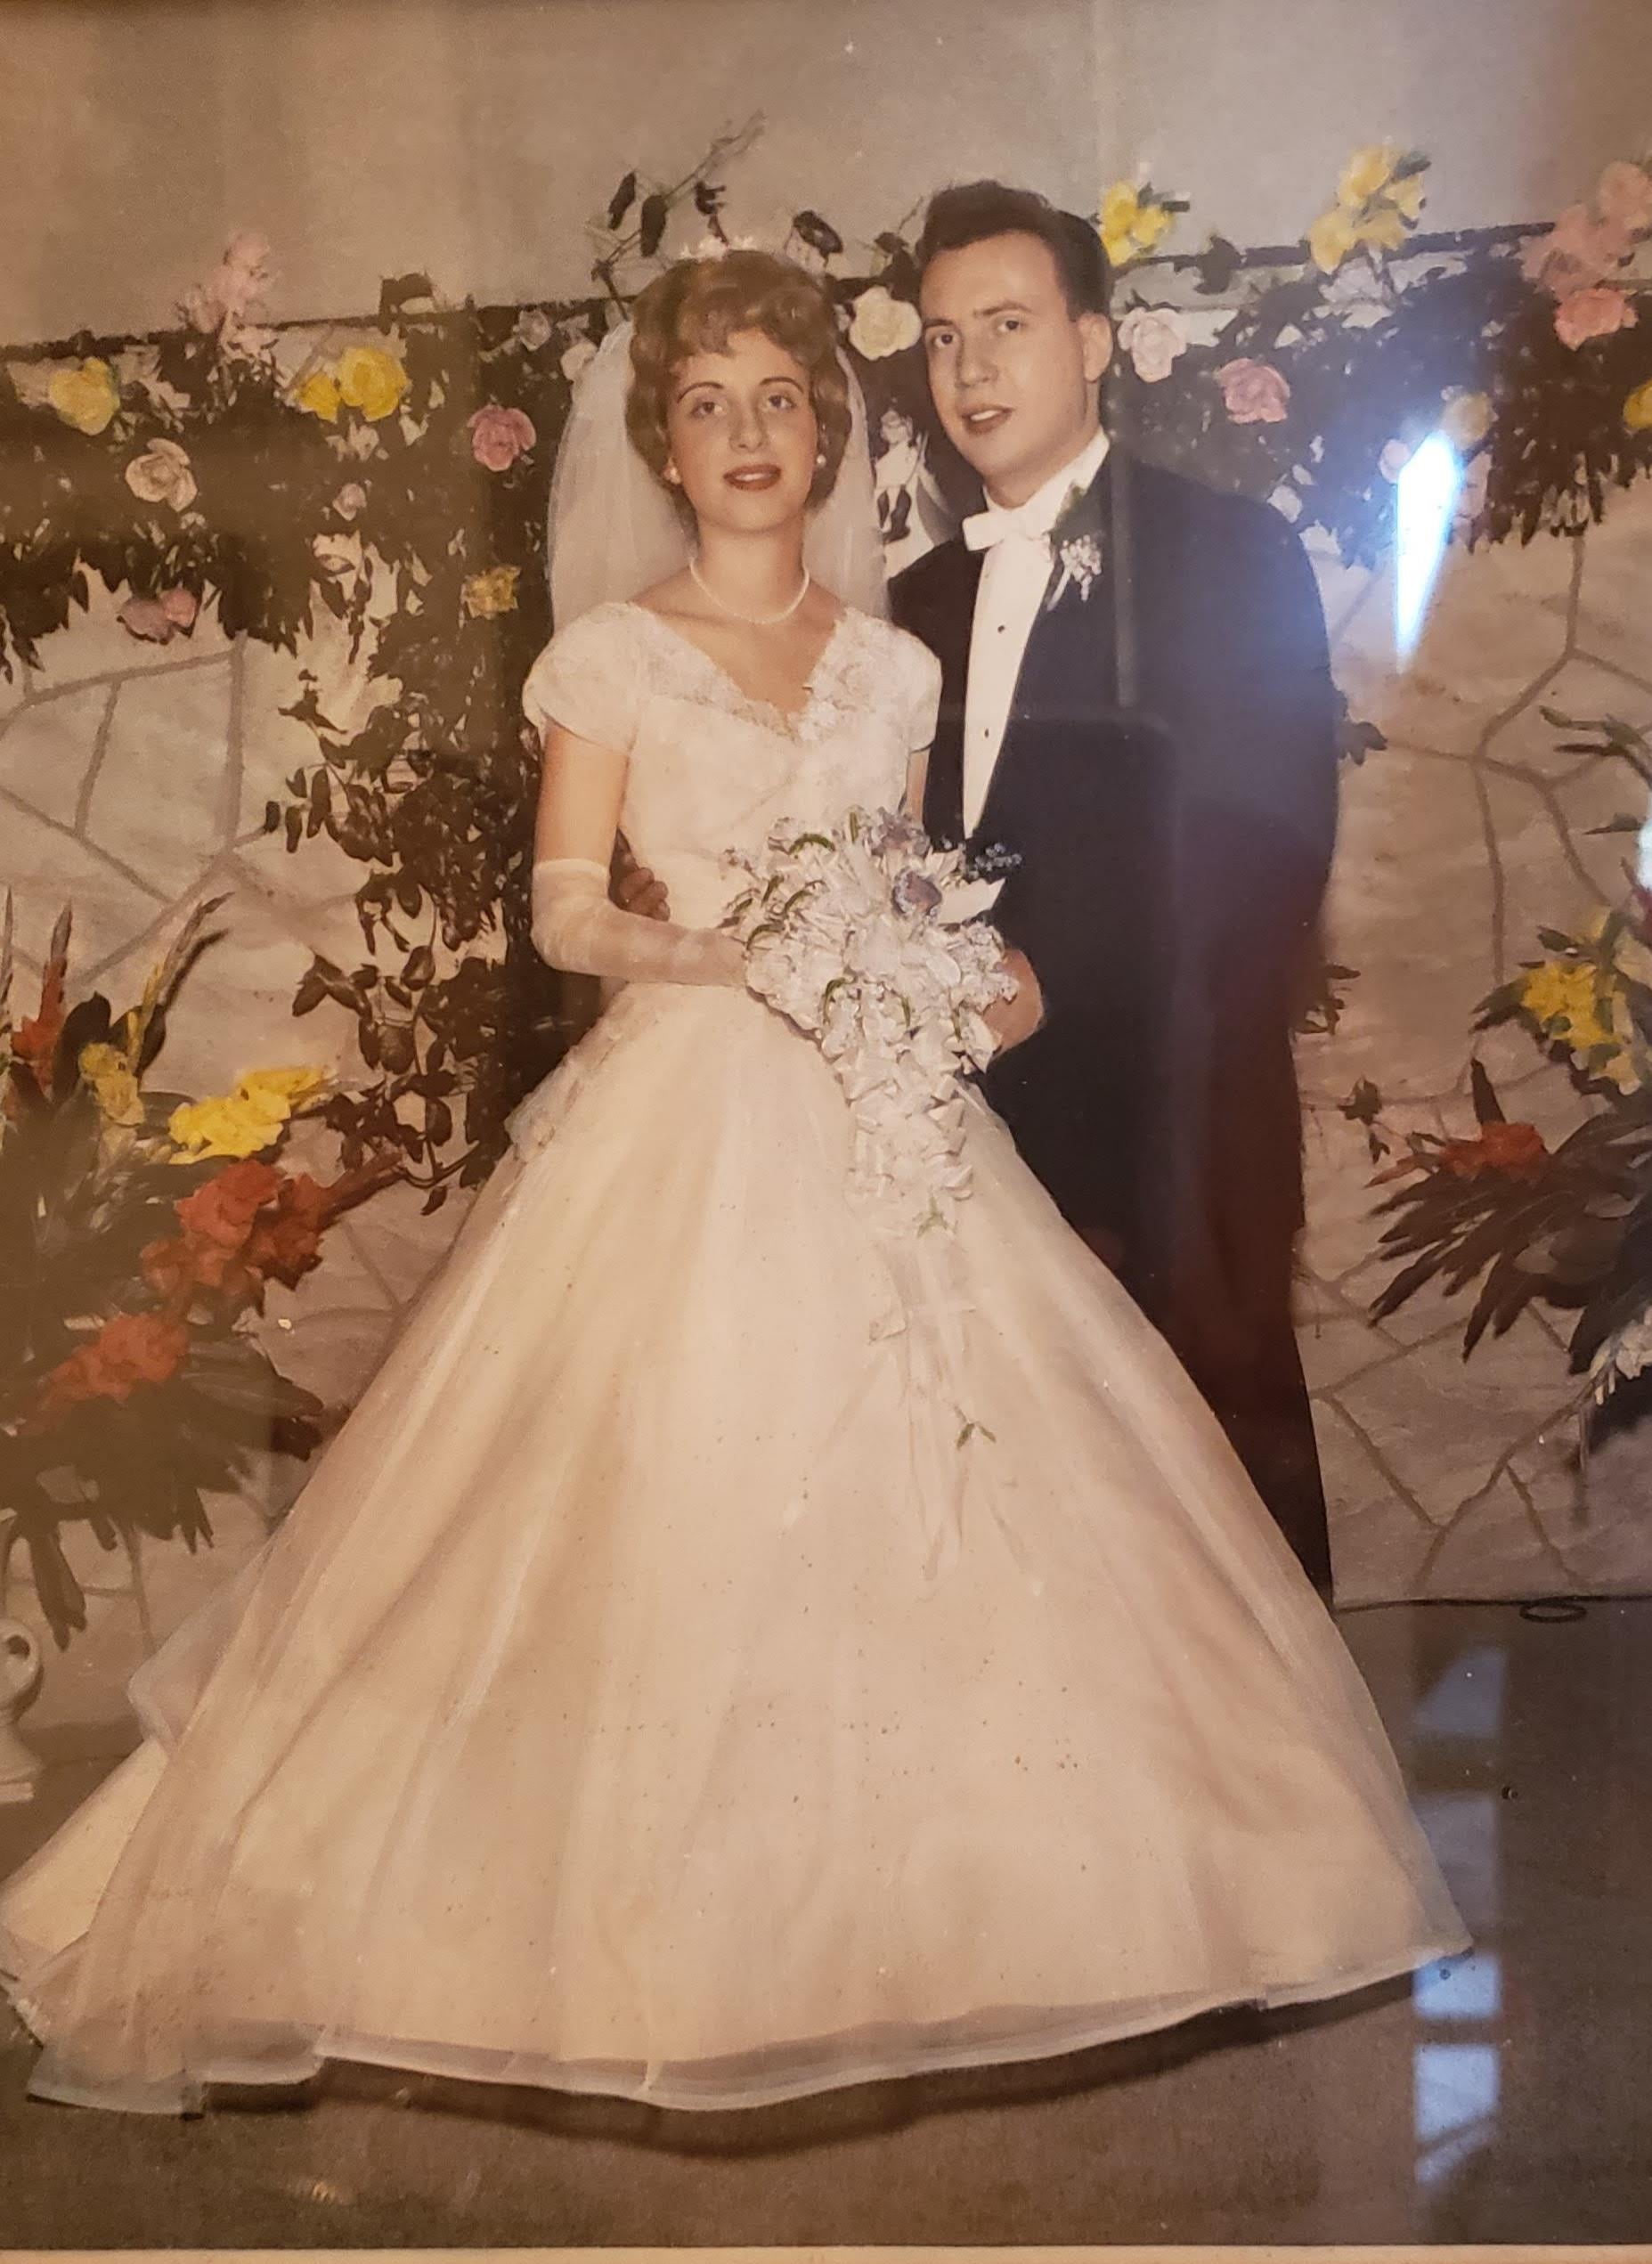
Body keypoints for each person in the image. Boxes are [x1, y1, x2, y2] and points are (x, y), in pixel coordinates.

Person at [0, 252, 1462, 2120]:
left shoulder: (894, 663)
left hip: (881, 1110)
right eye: (709, 406)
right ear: (666, 448)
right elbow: (564, 908)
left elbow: (916, 879)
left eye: (781, 400)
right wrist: (730, 956)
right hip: (681, 1102)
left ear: (826, 437)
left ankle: (976, 1910)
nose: (748, 434)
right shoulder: (610, 656)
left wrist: (961, 974)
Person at [891, 183, 1339, 1596]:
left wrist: (1054, 980)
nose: (971, 368)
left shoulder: (1228, 549)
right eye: (943, 336)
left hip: (1178, 1117)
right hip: (981, 1134)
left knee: (1224, 1512)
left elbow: (1272, 844)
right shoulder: (914, 607)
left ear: (1092, 343)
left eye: (1007, 325)